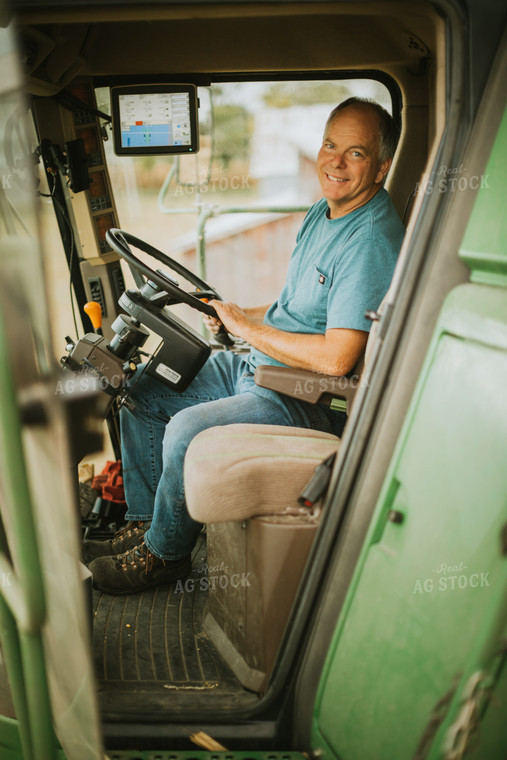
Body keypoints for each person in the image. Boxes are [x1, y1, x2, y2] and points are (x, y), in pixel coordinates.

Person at [86, 97, 405, 595]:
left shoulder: (370, 241)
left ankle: (164, 557)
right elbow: (291, 311)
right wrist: (230, 312)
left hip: (305, 395)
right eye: (329, 145)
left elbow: (337, 357)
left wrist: (248, 330)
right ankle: (147, 524)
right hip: (259, 367)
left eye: (356, 153)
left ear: (382, 166)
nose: (335, 162)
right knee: (144, 392)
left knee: (187, 428)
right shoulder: (323, 213)